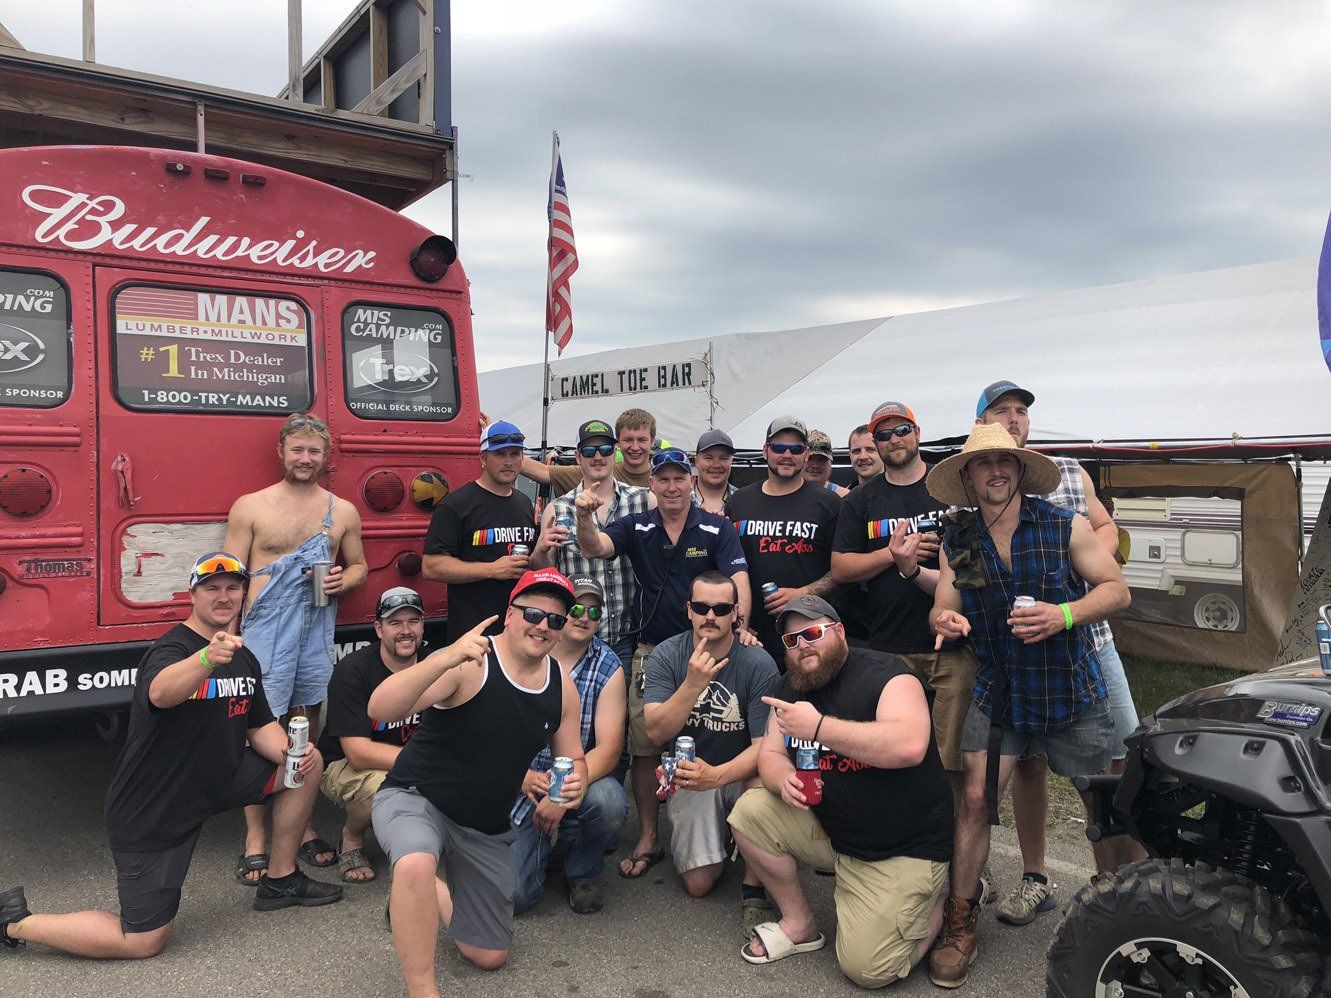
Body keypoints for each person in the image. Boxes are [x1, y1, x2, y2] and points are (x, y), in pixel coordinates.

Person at [0, 552, 342, 960]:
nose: (223, 596)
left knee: (307, 766)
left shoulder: (244, 658)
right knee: (142, 941)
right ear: (192, 595)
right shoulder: (173, 649)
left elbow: (259, 725)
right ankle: (13, 922)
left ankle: (281, 880)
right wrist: (205, 658)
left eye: (232, 588)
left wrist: (290, 752)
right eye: (212, 588)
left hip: (219, 780)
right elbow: (161, 692)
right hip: (156, 805)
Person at [925, 423, 1130, 988]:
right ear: (968, 477)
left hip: (1069, 685)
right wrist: (946, 619)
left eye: (1005, 462)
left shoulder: (1066, 524)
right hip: (1000, 688)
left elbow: (1117, 589)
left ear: (1019, 470)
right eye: (983, 464)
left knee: (1101, 803)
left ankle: (1124, 913)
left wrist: (1063, 615)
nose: (996, 471)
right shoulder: (959, 536)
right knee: (974, 799)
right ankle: (960, 922)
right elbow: (942, 603)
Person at [369, 568, 588, 997]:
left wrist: (573, 786)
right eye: (533, 614)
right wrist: (442, 658)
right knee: (415, 861)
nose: (543, 626)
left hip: (483, 825)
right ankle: (423, 989)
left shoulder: (561, 684)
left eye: (555, 620)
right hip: (418, 797)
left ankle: (423, 891)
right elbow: (380, 709)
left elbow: (573, 757)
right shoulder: (471, 661)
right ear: (510, 614)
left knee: (489, 954)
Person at [976, 379, 1145, 924]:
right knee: (1028, 763)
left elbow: (1105, 529)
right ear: (981, 425)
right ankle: (1035, 877)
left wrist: (1086, 559)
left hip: (1089, 642)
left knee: (1113, 763)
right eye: (1001, 411)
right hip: (1021, 653)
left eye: (1021, 411)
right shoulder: (976, 491)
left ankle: (1120, 886)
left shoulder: (1068, 471)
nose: (1014, 419)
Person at [728, 595, 953, 988]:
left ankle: (942, 900)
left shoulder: (888, 675)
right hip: (837, 834)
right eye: (792, 640)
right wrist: (782, 778)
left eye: (813, 633)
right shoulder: (791, 686)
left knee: (868, 970)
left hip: (902, 847)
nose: (803, 645)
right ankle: (799, 923)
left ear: (840, 632)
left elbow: (910, 745)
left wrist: (818, 728)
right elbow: (771, 754)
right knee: (749, 811)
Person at [573, 447, 753, 879]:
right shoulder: (637, 525)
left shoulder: (716, 527)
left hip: (710, 648)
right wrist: (583, 517)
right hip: (653, 648)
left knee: (720, 730)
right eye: (663, 479)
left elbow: (738, 580)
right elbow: (595, 546)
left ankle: (728, 822)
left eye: (679, 478)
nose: (672, 487)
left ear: (692, 482)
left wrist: (740, 625)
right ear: (651, 484)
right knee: (644, 743)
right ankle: (650, 836)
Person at [224, 410, 367, 882]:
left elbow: (360, 566)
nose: (305, 458)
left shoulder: (341, 511)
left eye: (314, 451)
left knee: (307, 721)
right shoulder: (250, 506)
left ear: (326, 457)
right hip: (263, 631)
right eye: (298, 449)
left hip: (315, 628)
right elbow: (231, 577)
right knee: (257, 724)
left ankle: (301, 825)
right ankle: (255, 836)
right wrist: (228, 635)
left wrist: (345, 579)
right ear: (281, 452)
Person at [831, 402, 977, 825]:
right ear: (875, 443)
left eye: (901, 431)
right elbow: (840, 568)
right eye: (884, 434)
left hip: (951, 645)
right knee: (892, 752)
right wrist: (890, 556)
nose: (894, 440)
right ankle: (898, 836)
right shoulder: (861, 500)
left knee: (950, 762)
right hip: (889, 646)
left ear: (917, 433)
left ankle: (947, 843)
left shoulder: (948, 489)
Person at [644, 572, 779, 930]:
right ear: (688, 609)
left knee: (763, 787)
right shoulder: (667, 654)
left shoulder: (757, 662)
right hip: (691, 771)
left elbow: (764, 747)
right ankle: (726, 834)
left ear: (736, 614)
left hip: (740, 771)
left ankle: (754, 886)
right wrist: (692, 685)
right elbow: (656, 732)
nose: (710, 616)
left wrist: (716, 777)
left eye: (720, 609)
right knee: (699, 884)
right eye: (701, 607)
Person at [510, 576, 628, 915]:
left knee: (609, 801)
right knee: (516, 897)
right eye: (575, 609)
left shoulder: (609, 665)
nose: (584, 617)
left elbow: (609, 750)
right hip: (519, 780)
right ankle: (546, 849)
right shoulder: (529, 649)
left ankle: (582, 871)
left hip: (575, 776)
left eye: (594, 611)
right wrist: (519, 777)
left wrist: (560, 795)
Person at [316, 586, 428, 884]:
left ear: (423, 625)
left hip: (411, 758)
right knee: (383, 787)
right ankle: (352, 837)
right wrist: (426, 763)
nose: (406, 631)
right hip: (343, 764)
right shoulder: (352, 671)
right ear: (379, 629)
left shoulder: (434, 665)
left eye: (413, 621)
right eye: (395, 623)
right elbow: (358, 753)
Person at [531, 418, 650, 668]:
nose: (598, 457)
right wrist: (540, 550)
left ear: (614, 453)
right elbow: (545, 573)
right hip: (576, 636)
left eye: (605, 450)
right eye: (589, 451)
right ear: (578, 457)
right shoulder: (558, 508)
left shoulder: (642, 501)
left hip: (628, 636)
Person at [725, 416, 843, 665]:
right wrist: (738, 620)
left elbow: (844, 571)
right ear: (765, 451)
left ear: (806, 454)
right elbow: (726, 567)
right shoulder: (739, 502)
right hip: (751, 638)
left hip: (810, 638)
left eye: (796, 449)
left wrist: (804, 593)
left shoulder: (829, 503)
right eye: (779, 447)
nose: (787, 455)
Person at [423, 420, 538, 641]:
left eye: (515, 454)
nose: (508, 462)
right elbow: (431, 567)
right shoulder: (457, 504)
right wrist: (492, 569)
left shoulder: (524, 503)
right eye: (499, 454)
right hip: (473, 634)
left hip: (518, 631)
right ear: (483, 459)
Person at [522, 408, 657, 492]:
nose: (635, 447)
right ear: (618, 443)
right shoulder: (599, 471)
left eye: (642, 440)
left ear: (652, 442)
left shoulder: (664, 476)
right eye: (628, 440)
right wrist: (510, 451)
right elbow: (542, 472)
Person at [693, 428, 738, 514]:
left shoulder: (744, 501)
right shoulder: (679, 499)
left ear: (732, 462)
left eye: (723, 458)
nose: (716, 465)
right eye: (709, 458)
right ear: (696, 461)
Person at [802, 429, 849, 497]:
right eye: (810, 458)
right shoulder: (786, 494)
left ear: (830, 464)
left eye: (821, 459)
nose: (815, 465)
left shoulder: (845, 497)